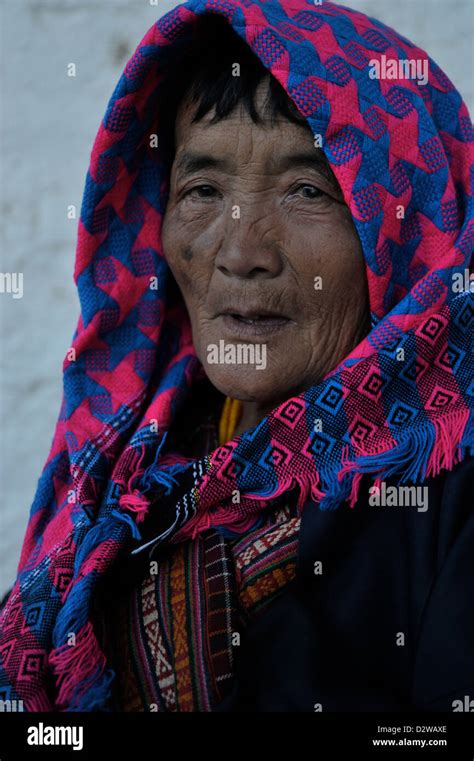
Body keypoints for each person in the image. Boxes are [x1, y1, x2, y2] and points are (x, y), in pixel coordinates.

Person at [0, 0, 472, 713]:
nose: (241, 253)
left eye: (308, 190)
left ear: (405, 232)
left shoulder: (451, 512)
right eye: (203, 190)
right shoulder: (121, 476)